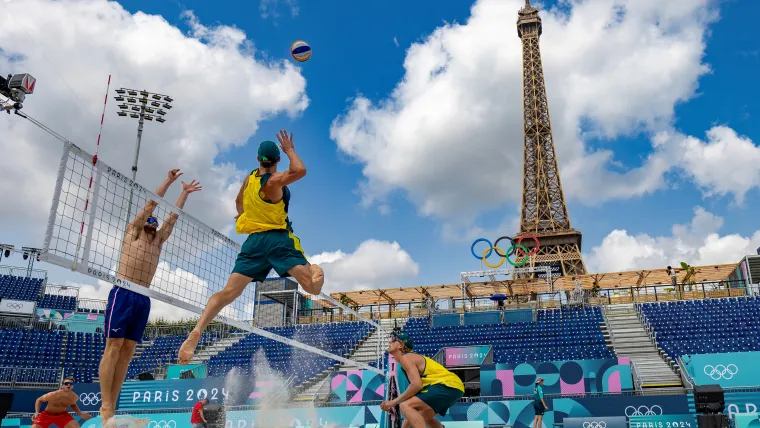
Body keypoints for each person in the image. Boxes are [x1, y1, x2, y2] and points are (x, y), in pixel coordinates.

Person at [177, 130, 323, 364]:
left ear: (258, 160)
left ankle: (198, 329)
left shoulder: (250, 179)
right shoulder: (273, 181)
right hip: (277, 239)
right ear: (276, 161)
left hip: (253, 242)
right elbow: (300, 170)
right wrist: (290, 151)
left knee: (228, 293)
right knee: (313, 288)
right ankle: (314, 269)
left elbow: (238, 202)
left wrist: (245, 216)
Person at [98, 169, 202, 423]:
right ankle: (105, 406)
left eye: (155, 222)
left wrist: (184, 193)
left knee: (128, 349)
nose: (153, 223)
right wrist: (168, 181)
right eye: (150, 220)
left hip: (142, 297)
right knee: (113, 347)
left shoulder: (158, 242)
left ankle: (115, 404)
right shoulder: (132, 233)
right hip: (124, 290)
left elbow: (173, 218)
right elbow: (151, 203)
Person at [380, 332, 464, 428]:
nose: (390, 341)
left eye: (393, 340)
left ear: (401, 345)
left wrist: (393, 402)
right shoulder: (409, 360)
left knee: (405, 405)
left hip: (447, 385)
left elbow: (416, 385)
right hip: (455, 387)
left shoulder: (406, 358)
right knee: (420, 415)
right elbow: (410, 415)